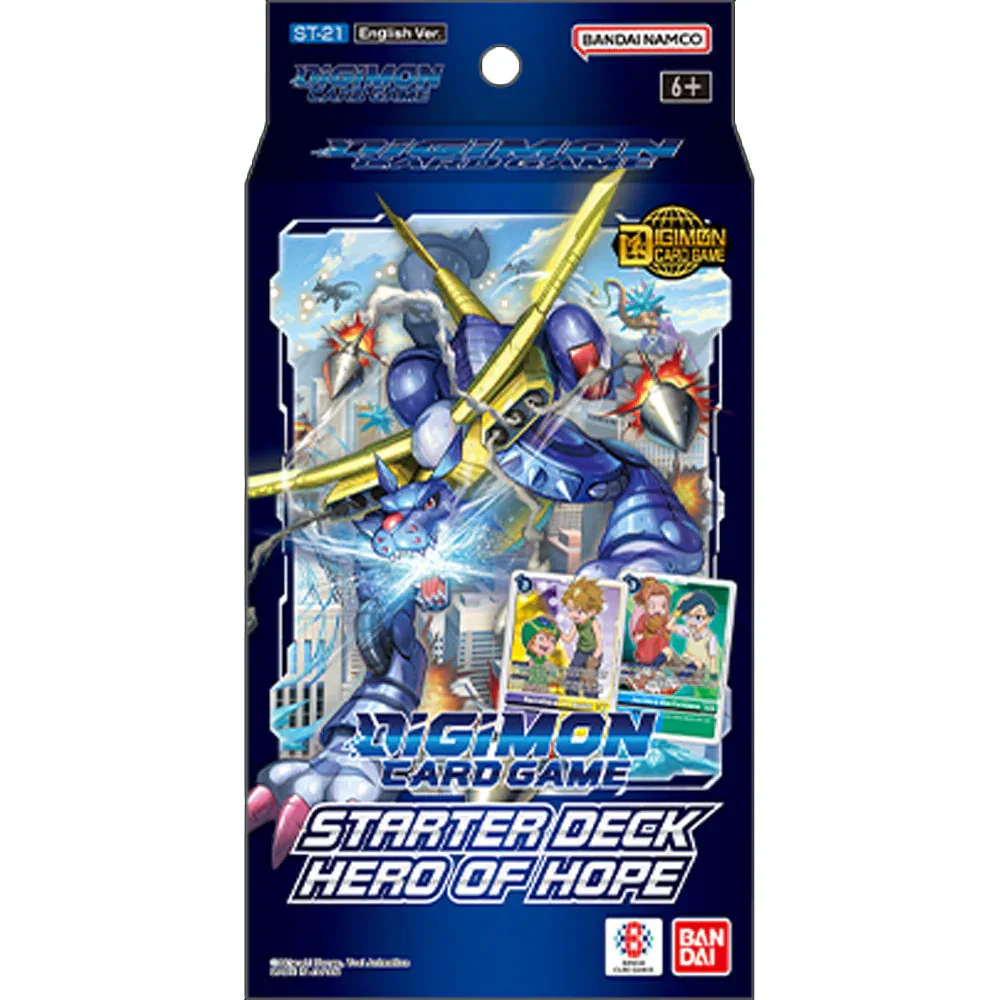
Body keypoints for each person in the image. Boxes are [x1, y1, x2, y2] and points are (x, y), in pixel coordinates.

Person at [560, 579, 605, 697]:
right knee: (571, 676)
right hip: (581, 651)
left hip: (593, 652)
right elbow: (568, 639)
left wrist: (594, 658)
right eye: (570, 610)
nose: (574, 615)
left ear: (592, 611)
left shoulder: (593, 622)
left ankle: (591, 699)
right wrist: (558, 632)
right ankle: (571, 697)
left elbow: (599, 644)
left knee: (588, 680)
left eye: (579, 612)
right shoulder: (577, 623)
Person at [519, 616, 561, 692]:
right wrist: (527, 667)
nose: (546, 643)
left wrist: (550, 668)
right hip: (530, 686)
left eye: (551, 641)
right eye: (541, 639)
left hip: (543, 687)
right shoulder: (530, 661)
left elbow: (555, 674)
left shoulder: (547, 662)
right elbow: (520, 673)